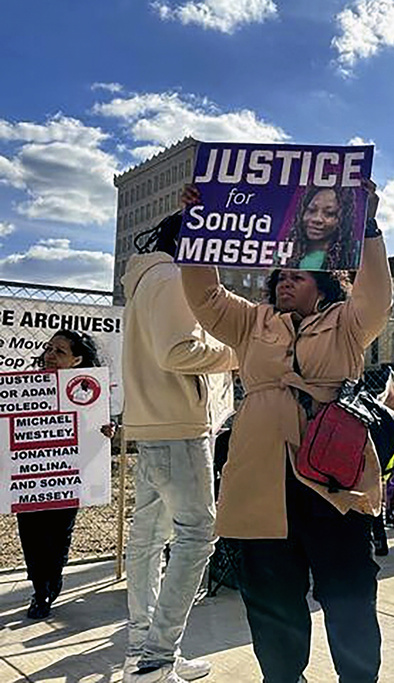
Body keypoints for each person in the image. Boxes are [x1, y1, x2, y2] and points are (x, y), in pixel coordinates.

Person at [180, 179, 392, 683]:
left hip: (332, 482)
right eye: (281, 276)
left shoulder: (347, 322)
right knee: (272, 602)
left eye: (298, 275)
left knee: (350, 595)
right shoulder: (250, 322)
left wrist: (367, 228)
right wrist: (198, 226)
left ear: (325, 284)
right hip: (260, 481)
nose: (285, 281)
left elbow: (377, 296)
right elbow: (204, 295)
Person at [122, 204, 238, 683]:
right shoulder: (172, 278)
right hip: (179, 429)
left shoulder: (146, 280)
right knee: (195, 539)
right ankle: (156, 657)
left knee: (147, 540)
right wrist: (237, 351)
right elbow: (178, 351)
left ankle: (143, 649)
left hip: (151, 428)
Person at [17, 330, 106, 619]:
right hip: (29, 476)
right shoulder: (24, 387)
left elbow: (94, 432)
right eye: (48, 349)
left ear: (77, 360)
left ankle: (51, 581)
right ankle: (39, 588)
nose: (50, 355)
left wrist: (106, 433)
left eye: (59, 351)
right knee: (30, 533)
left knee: (57, 534)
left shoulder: (90, 392)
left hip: (68, 477)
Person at [285, 184, 358, 271]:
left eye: (329, 213)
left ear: (343, 219)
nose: (317, 219)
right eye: (311, 210)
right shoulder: (280, 255)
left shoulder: (354, 255)